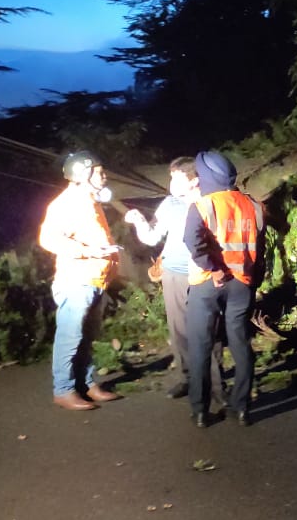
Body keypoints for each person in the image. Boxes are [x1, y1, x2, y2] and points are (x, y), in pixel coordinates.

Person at [124, 157, 225, 406]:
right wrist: (138, 222)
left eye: (176, 177)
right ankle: (187, 377)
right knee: (179, 329)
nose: (171, 182)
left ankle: (217, 386)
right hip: (174, 272)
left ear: (193, 179)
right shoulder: (169, 204)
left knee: (210, 329)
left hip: (205, 273)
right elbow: (151, 237)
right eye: (170, 177)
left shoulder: (210, 201)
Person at [182, 150, 264, 428]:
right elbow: (259, 248)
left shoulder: (202, 205)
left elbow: (192, 241)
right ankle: (242, 408)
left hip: (208, 283)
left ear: (205, 177)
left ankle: (201, 411)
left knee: (201, 347)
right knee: (240, 344)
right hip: (242, 284)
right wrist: (251, 279)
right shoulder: (253, 205)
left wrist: (215, 268)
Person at [37, 151, 123, 410]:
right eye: (98, 171)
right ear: (83, 173)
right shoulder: (66, 203)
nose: (104, 175)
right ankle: (63, 390)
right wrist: (88, 251)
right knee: (70, 336)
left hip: (95, 280)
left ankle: (86, 385)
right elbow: (49, 239)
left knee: (86, 336)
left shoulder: (90, 202)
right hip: (77, 280)